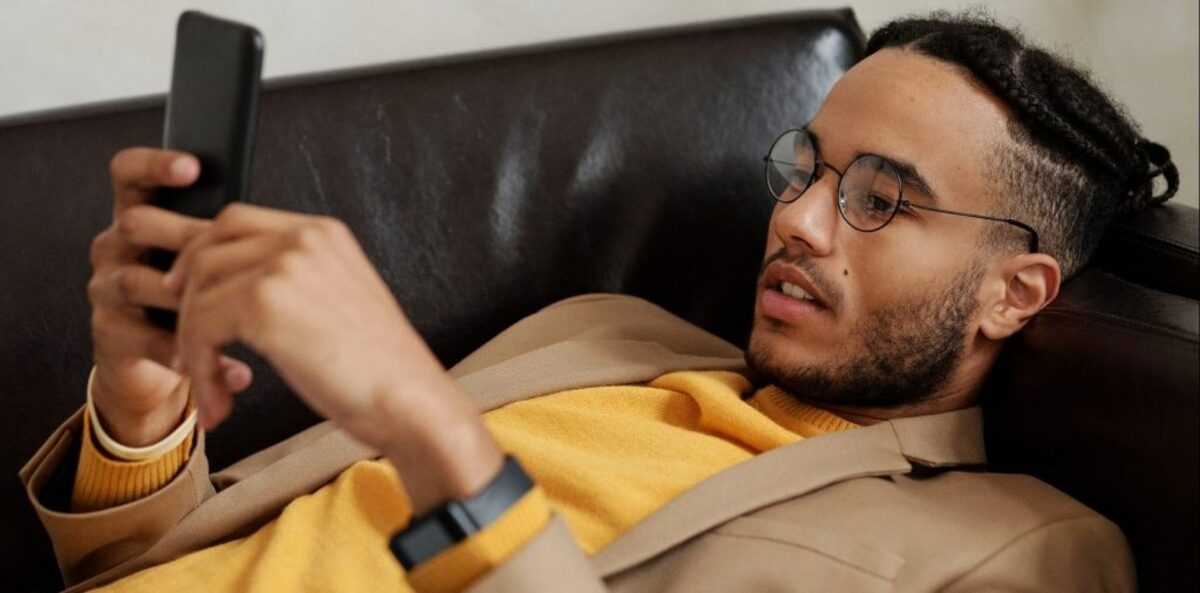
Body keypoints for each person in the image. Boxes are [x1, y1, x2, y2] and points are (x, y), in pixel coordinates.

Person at [21, 12, 1178, 593]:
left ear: (1012, 293)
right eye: (809, 168)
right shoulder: (603, 333)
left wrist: (428, 428)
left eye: (882, 199)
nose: (801, 219)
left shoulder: (1021, 551)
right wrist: (141, 407)